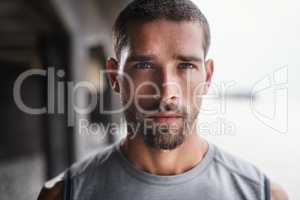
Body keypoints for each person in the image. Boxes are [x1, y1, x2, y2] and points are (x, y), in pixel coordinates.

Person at [38, 0, 289, 199]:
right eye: (145, 64)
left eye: (186, 66)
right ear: (114, 76)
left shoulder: (263, 195)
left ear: (208, 76)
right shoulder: (63, 195)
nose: (166, 91)